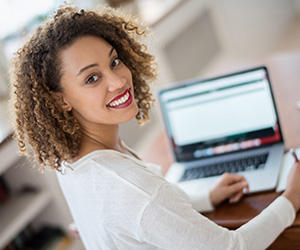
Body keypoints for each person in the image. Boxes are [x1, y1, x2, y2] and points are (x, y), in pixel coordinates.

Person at [9, 5, 300, 250]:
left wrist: (204, 198)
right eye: (91, 79)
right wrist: (291, 198)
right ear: (59, 100)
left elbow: (140, 217)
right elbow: (232, 247)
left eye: (114, 61)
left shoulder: (71, 162)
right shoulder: (132, 189)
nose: (119, 81)